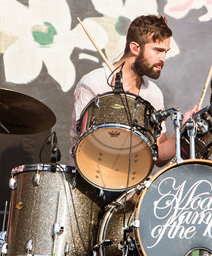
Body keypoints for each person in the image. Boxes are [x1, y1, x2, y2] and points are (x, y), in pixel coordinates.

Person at [69, 14, 197, 168]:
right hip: (90, 182)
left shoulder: (152, 93)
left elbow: (159, 157)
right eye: (158, 50)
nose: (163, 58)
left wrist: (182, 132)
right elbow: (88, 146)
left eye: (165, 52)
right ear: (135, 48)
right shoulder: (94, 83)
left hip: (134, 189)